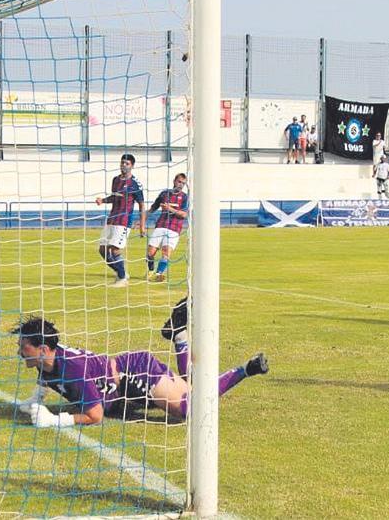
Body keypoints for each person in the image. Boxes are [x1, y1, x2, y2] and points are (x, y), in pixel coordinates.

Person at [14, 299, 269, 427]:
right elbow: (45, 379)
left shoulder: (73, 368)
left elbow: (96, 415)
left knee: (189, 408)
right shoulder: (46, 362)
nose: (19, 351)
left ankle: (245, 369)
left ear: (43, 349)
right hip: (127, 387)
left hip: (135, 374)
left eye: (23, 346)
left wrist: (55, 420)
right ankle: (180, 336)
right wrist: (35, 401)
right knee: (191, 385)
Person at [95, 153, 146, 287]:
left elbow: (141, 204)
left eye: (127, 163)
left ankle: (122, 279)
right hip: (112, 219)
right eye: (122, 162)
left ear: (132, 166)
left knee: (114, 250)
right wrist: (103, 200)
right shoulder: (115, 180)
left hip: (124, 220)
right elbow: (114, 197)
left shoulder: (135, 184)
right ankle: (121, 272)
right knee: (102, 250)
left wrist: (142, 225)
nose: (123, 165)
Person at [146, 173, 189, 282]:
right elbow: (153, 208)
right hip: (161, 225)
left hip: (174, 229)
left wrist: (170, 209)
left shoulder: (185, 197)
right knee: (150, 252)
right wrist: (141, 220)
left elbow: (184, 214)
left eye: (183, 183)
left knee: (166, 252)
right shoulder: (164, 194)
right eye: (179, 182)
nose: (181, 185)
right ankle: (150, 270)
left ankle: (159, 274)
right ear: (174, 181)